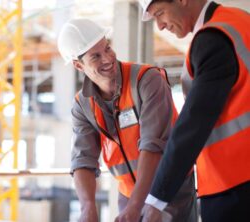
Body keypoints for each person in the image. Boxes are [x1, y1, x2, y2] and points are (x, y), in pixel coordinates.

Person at [57, 18, 197, 222]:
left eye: (107, 48)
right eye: (95, 56)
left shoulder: (147, 80)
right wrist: (87, 208)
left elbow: (153, 145)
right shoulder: (82, 105)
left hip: (170, 192)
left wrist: (136, 205)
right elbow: (83, 159)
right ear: (79, 66)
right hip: (128, 195)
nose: (107, 58)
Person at [139, 0, 250, 221]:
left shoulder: (213, 39)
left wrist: (156, 200)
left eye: (160, 13)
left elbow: (193, 123)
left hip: (234, 186)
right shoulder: (240, 19)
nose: (160, 25)